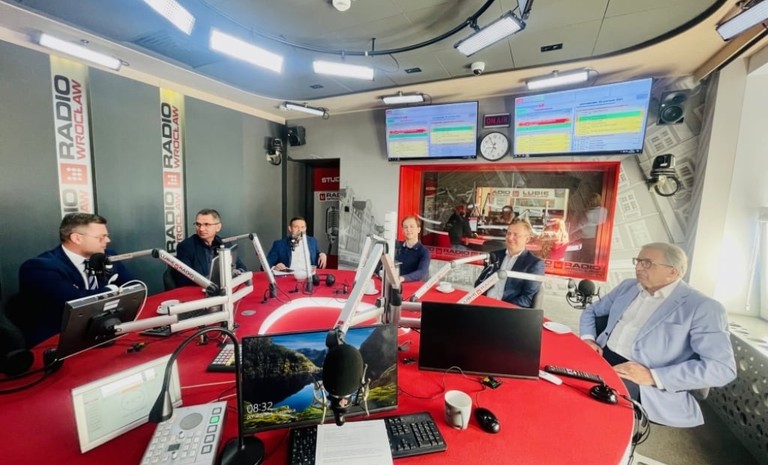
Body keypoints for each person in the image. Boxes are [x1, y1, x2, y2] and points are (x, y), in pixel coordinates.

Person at [579, 242, 736, 427]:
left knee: (590, 403)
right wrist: (588, 339)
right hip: (601, 356)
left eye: (647, 263)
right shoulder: (628, 286)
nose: (638, 267)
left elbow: (722, 368)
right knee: (558, 375)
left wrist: (652, 376)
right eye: (638, 261)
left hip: (642, 378)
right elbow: (592, 311)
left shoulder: (703, 307)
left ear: (672, 272)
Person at [16, 213, 134, 347]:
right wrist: (112, 288)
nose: (108, 240)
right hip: (58, 341)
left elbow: (132, 286)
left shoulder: (108, 256)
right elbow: (78, 304)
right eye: (101, 237)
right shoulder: (40, 268)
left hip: (104, 329)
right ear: (77, 238)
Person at [474, 219, 544, 308]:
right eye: (508, 233)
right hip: (483, 305)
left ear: (527, 239)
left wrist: (501, 307)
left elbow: (527, 299)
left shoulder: (534, 264)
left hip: (507, 311)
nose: (510, 238)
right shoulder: (495, 256)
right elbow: (479, 284)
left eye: (516, 235)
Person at [172, 209, 246, 287]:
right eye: (198, 224)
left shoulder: (225, 244)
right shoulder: (186, 247)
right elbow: (183, 279)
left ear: (218, 227)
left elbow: (241, 267)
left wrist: (238, 273)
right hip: (201, 290)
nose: (201, 229)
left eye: (206, 224)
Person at [394, 216, 430, 282]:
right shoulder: (396, 246)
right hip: (394, 284)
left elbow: (422, 272)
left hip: (413, 286)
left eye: (412, 226)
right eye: (405, 227)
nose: (408, 229)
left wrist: (403, 278)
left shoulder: (424, 251)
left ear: (418, 230)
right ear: (402, 231)